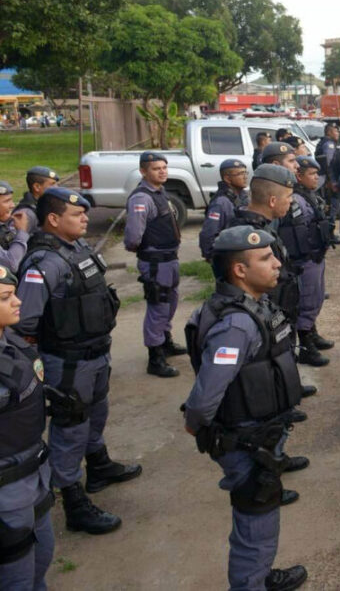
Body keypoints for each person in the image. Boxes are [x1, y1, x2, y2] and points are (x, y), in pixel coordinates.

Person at [183, 225, 308, 591]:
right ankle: (250, 583)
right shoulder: (236, 324)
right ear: (239, 270)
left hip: (262, 433)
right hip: (246, 440)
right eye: (266, 259)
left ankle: (258, 575)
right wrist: (198, 423)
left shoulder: (250, 305)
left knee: (261, 514)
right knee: (256, 518)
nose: (277, 264)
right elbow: (207, 393)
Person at [16, 187, 140, 535]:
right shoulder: (43, 263)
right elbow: (26, 321)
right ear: (53, 220)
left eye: (85, 213)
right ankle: (72, 499)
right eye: (77, 215)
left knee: (96, 413)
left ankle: (98, 466)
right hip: (67, 362)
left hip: (96, 353)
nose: (86, 218)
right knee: (70, 427)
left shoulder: (77, 249)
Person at [234, 164, 324, 373]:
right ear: (273, 200)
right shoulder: (249, 235)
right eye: (289, 197)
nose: (292, 201)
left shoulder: (265, 226)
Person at [0, 265, 56, 587]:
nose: (19, 301)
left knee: (42, 556)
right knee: (15, 577)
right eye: (7, 297)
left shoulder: (13, 342)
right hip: (7, 491)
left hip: (33, 475)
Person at [125, 152, 185, 378]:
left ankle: (165, 342)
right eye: (156, 168)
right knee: (158, 306)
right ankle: (155, 357)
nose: (162, 171)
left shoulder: (160, 192)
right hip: (155, 261)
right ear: (143, 171)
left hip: (169, 258)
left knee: (170, 303)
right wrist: (141, 250)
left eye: (164, 167)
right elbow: (133, 236)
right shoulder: (142, 198)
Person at [277, 156, 334, 365]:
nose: (316, 178)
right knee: (306, 302)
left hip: (316, 257)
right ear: (298, 176)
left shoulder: (310, 196)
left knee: (316, 299)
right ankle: (305, 345)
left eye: (317, 174)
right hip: (303, 260)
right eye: (311, 174)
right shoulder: (295, 199)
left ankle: (312, 332)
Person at [200, 159, 249, 262]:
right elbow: (209, 233)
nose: (245, 177)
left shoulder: (243, 197)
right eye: (240, 173)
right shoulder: (221, 202)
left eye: (245, 172)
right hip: (228, 255)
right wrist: (212, 257)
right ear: (227, 178)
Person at [15, 166, 60, 234]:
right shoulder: (26, 214)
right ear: (37, 187)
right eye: (52, 184)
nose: (57, 188)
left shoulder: (45, 205)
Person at [0, 179, 30, 271]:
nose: (12, 205)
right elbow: (10, 264)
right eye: (7, 201)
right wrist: (22, 232)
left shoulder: (7, 223)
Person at [314, 122, 340, 191]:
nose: (338, 134)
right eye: (336, 131)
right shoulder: (329, 144)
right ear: (329, 132)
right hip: (325, 178)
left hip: (322, 176)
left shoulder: (323, 142)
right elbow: (329, 164)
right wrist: (332, 180)